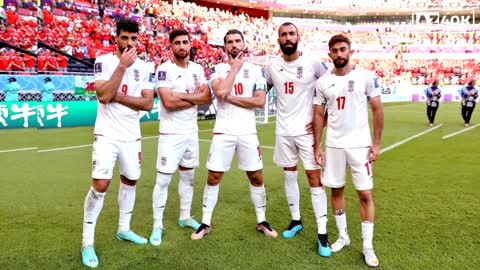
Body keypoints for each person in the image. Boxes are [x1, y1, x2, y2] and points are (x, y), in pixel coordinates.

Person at [80, 18, 154, 269]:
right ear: (116, 38)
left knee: (131, 180)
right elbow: (102, 94)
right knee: (101, 184)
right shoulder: (104, 61)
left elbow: (147, 104)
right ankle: (87, 242)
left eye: (134, 38)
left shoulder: (145, 67)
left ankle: (124, 228)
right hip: (107, 133)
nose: (130, 43)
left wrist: (118, 96)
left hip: (132, 134)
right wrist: (122, 67)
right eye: (125, 38)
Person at [191, 29, 278, 240]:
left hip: (248, 131)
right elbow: (219, 92)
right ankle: (205, 223)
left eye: (238, 40)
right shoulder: (217, 68)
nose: (234, 45)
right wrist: (234, 69)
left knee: (256, 176)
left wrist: (229, 97)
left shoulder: (256, 70)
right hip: (223, 131)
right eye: (229, 42)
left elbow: (258, 101)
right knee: (214, 176)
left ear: (244, 43)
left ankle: (261, 219)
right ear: (225, 46)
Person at [313, 34, 384, 267]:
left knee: (364, 194)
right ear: (330, 54)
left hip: (360, 146)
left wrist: (376, 144)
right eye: (334, 50)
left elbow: (377, 110)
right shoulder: (323, 82)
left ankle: (367, 246)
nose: (339, 54)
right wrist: (317, 145)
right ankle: (343, 236)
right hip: (334, 145)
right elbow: (318, 115)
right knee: (336, 191)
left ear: (350, 52)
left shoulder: (365, 77)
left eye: (343, 49)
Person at [264, 22, 331, 257]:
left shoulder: (313, 63)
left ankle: (322, 234)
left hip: (307, 133)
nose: (288, 37)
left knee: (314, 179)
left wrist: (324, 120)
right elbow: (262, 89)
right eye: (283, 34)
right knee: (289, 175)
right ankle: (296, 221)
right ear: (278, 40)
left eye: (291, 33)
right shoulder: (272, 66)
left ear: (298, 37)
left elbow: (332, 88)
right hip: (283, 132)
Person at [149, 29, 211, 246]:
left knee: (188, 177)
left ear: (190, 44)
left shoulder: (197, 69)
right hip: (170, 133)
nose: (182, 46)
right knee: (163, 179)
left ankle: (185, 216)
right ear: (171, 46)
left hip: (191, 132)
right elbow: (168, 103)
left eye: (185, 42)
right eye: (177, 43)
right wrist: (195, 98)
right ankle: (157, 224)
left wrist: (183, 95)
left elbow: (207, 98)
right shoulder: (164, 69)